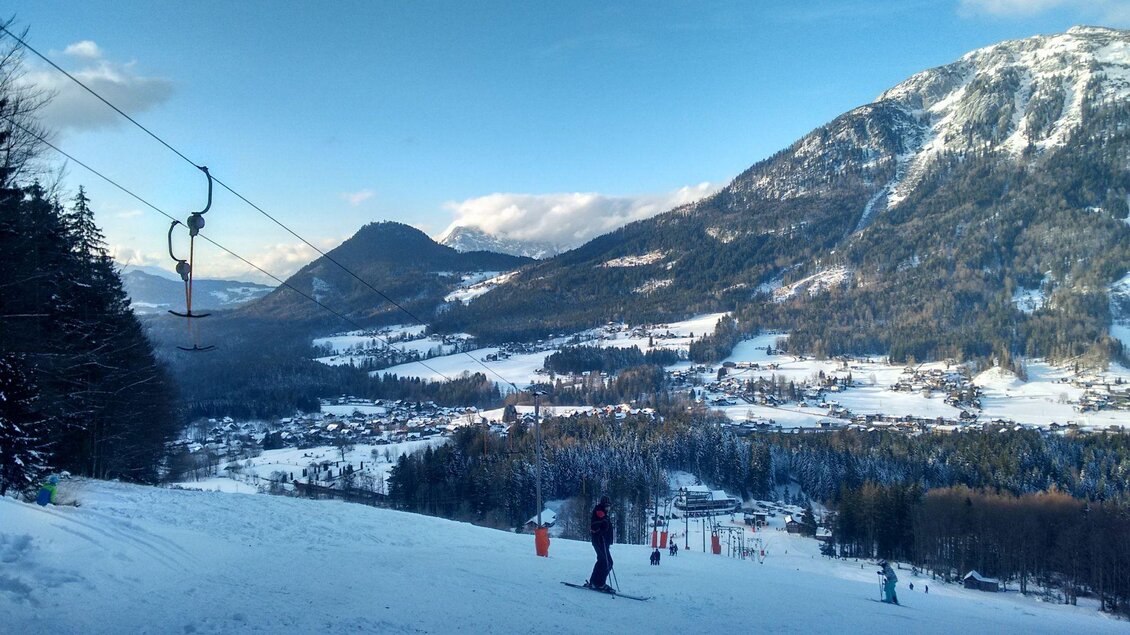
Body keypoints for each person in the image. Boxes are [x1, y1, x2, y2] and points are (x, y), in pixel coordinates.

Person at [585, 495, 615, 592]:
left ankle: (594, 581)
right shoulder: (599, 513)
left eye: (609, 506)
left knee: (604, 561)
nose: (608, 508)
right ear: (602, 505)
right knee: (606, 562)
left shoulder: (603, 513)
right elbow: (594, 527)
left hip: (603, 542)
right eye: (606, 506)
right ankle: (600, 583)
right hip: (600, 541)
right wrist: (601, 529)